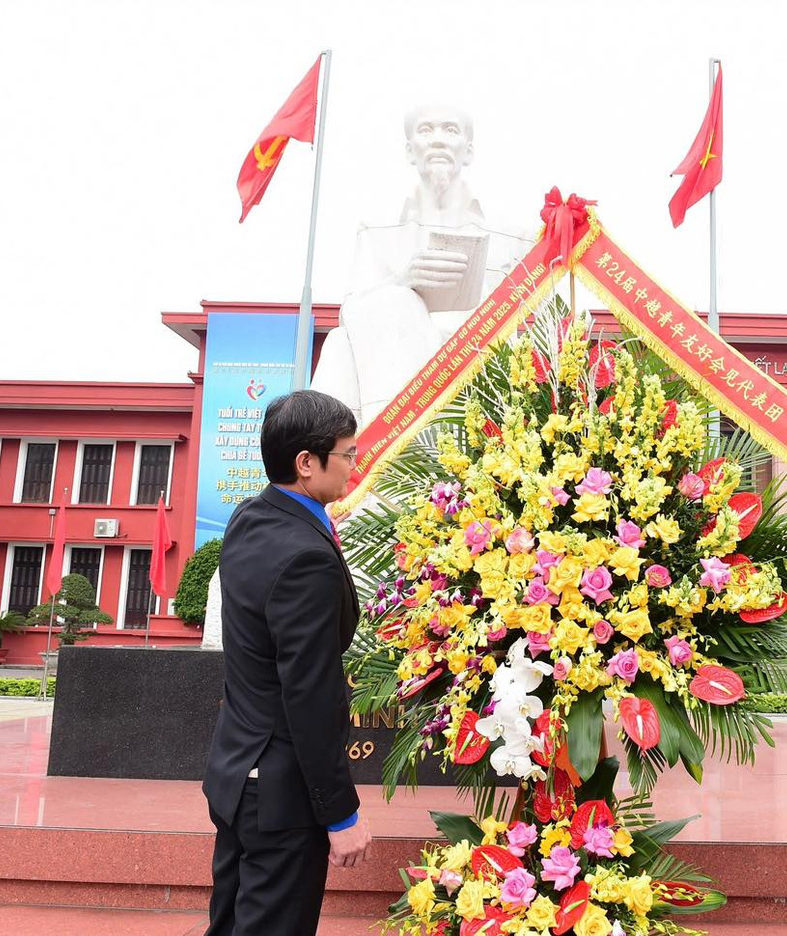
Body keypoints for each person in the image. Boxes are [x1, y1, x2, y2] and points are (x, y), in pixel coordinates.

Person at [203, 389, 371, 936]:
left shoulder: (250, 518)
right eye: (346, 453)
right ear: (306, 463)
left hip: (238, 774)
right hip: (280, 791)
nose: (353, 465)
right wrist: (340, 815)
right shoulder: (305, 556)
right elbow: (310, 694)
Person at [311, 104, 530, 425]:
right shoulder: (378, 231)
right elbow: (351, 313)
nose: (438, 140)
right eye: (426, 130)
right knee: (338, 345)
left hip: (479, 360)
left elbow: (535, 316)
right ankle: (338, 455)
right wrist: (403, 283)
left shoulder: (510, 235)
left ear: (468, 151)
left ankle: (390, 450)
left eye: (450, 130)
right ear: (410, 149)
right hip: (396, 364)